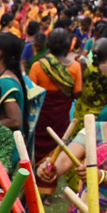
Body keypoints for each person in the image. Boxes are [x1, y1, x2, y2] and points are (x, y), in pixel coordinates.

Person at [28, 28, 83, 159]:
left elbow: (30, 93)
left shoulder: (38, 66)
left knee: (38, 149)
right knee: (57, 145)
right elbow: (77, 93)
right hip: (61, 117)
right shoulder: (75, 67)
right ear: (67, 46)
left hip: (41, 117)